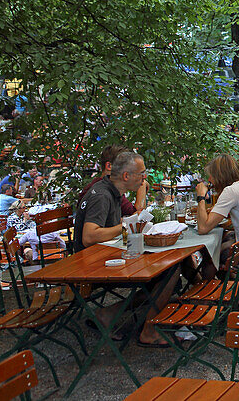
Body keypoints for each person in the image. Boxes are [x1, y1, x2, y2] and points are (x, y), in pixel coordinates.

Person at [74, 149, 177, 347]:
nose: (145, 178)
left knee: (167, 268)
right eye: (141, 173)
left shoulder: (112, 191)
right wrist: (123, 226)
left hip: (106, 256)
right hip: (92, 265)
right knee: (169, 272)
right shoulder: (102, 195)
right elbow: (89, 236)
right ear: (126, 176)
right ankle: (148, 330)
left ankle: (110, 313)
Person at [79, 144, 146, 217]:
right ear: (109, 166)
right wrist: (142, 183)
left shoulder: (110, 186)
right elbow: (136, 215)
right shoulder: (103, 192)